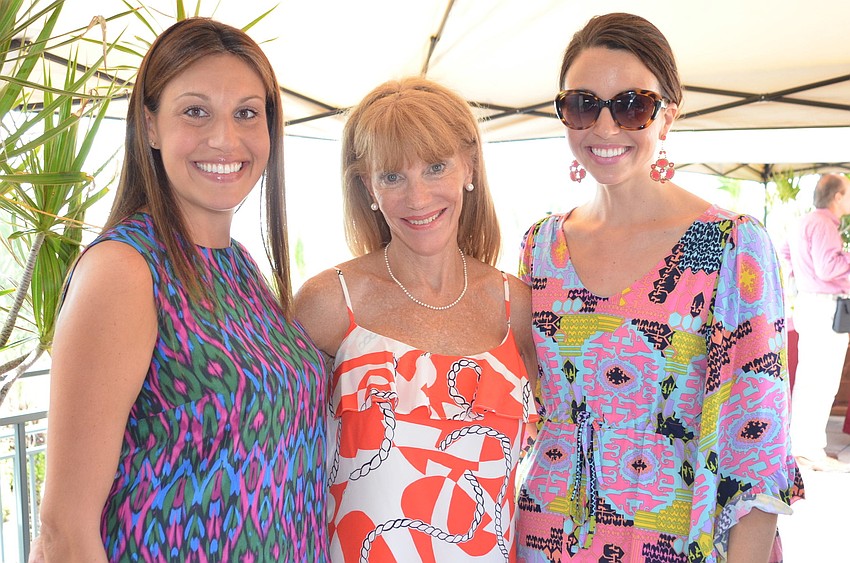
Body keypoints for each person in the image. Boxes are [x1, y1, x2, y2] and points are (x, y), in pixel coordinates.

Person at [32, 17, 328, 562]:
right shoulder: (125, 270)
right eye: (196, 112)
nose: (225, 138)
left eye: (246, 113)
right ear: (149, 127)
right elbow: (63, 531)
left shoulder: (239, 267)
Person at [515, 12, 803, 562]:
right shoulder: (541, 247)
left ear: (666, 116)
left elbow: (758, 449)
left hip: (678, 544)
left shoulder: (727, 246)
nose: (605, 127)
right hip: (548, 536)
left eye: (631, 105)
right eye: (582, 104)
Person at [293, 77, 538, 561]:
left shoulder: (518, 306)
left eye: (435, 166)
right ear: (367, 187)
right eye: (392, 177)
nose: (418, 197)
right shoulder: (330, 303)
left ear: (469, 165)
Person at [781, 173, 850, 472]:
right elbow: (827, 267)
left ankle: (801, 447)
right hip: (824, 305)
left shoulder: (805, 221)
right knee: (822, 380)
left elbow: (785, 252)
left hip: (810, 303)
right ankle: (810, 451)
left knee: (811, 379)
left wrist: (802, 275)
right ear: (837, 196)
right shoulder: (823, 223)